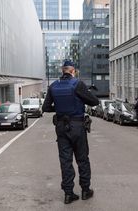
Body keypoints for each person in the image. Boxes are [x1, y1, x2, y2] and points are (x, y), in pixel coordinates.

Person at [42, 59, 99, 204]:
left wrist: (61, 110)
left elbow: (46, 107)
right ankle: (85, 191)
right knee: (82, 159)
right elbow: (94, 102)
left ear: (63, 70)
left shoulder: (53, 86)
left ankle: (68, 194)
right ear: (73, 71)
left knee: (65, 161)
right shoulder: (77, 84)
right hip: (78, 127)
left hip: (61, 128)